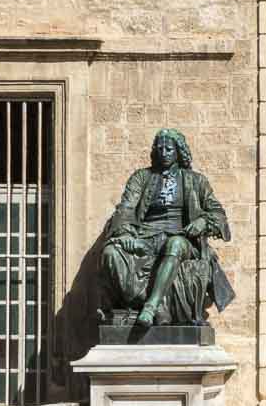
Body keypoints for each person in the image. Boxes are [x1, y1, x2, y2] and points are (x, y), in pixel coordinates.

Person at [100, 128, 234, 327]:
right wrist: (127, 233)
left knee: (176, 244)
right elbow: (125, 209)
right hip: (145, 238)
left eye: (169, 149)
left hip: (180, 239)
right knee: (110, 253)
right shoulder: (141, 178)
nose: (164, 153)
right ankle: (148, 304)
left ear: (178, 152)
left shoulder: (196, 181)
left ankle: (151, 307)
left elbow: (218, 213)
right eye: (160, 148)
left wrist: (203, 222)